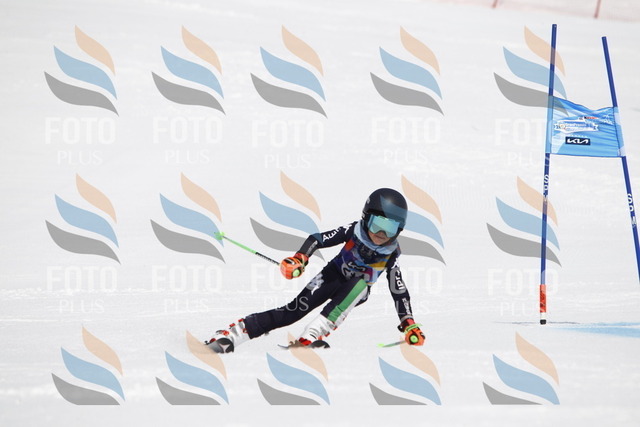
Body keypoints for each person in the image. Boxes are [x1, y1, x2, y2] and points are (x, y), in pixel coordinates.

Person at [206, 188, 425, 353]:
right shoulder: (354, 230)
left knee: (358, 286)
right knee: (293, 311)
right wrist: (300, 258)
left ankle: (310, 337)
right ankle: (232, 335)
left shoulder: (391, 252)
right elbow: (318, 239)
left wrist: (408, 322)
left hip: (356, 289)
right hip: (332, 275)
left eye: (390, 228)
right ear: (366, 218)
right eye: (378, 224)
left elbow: (398, 289)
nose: (382, 234)